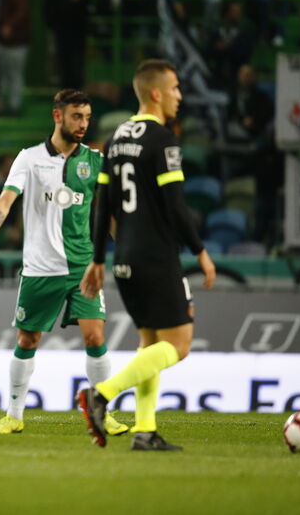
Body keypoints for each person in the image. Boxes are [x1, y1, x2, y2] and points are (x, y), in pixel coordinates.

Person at [78, 59, 216, 451]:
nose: (179, 96)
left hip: (124, 256)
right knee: (179, 345)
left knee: (150, 344)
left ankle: (145, 430)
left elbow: (102, 202)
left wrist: (98, 258)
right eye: (174, 88)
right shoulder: (163, 140)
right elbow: (175, 207)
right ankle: (101, 394)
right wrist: (200, 251)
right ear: (155, 92)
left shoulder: (117, 137)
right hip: (156, 255)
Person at [0, 89, 128, 436]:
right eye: (77, 116)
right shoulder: (29, 158)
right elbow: (5, 198)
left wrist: (127, 248)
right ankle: (14, 415)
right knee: (27, 340)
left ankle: (104, 412)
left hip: (82, 266)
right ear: (58, 116)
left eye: (87, 118)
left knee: (95, 335)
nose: (83, 124)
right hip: (41, 267)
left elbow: (108, 212)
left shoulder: (95, 161)